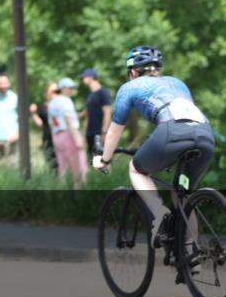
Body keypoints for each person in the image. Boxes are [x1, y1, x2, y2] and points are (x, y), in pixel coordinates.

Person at [93, 46, 215, 249]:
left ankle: (159, 213)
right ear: (156, 69)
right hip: (205, 134)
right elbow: (184, 117)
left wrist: (104, 159)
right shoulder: (178, 83)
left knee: (136, 168)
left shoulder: (129, 87)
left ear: (132, 72)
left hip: (171, 132)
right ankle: (192, 255)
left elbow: (114, 132)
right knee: (183, 194)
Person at [47, 78, 88, 184]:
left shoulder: (52, 103)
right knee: (78, 166)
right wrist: (77, 139)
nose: (71, 90)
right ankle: (79, 193)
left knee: (62, 167)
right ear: (63, 88)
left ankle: (62, 194)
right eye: (69, 88)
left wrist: (54, 140)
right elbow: (67, 118)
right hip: (69, 134)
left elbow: (53, 123)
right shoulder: (66, 100)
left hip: (57, 136)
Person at [79, 68, 112, 160]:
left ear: (91, 77)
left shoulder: (103, 93)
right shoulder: (91, 95)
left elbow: (107, 113)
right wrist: (84, 133)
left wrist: (104, 132)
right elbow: (87, 115)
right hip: (90, 133)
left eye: (84, 77)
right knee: (93, 160)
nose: (83, 80)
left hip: (99, 133)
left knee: (103, 160)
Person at [29, 81, 59, 173]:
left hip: (60, 138)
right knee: (51, 164)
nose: (56, 93)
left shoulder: (62, 104)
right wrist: (33, 113)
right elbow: (41, 124)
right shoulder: (43, 107)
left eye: (58, 91)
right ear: (47, 93)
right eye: (53, 91)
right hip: (48, 139)